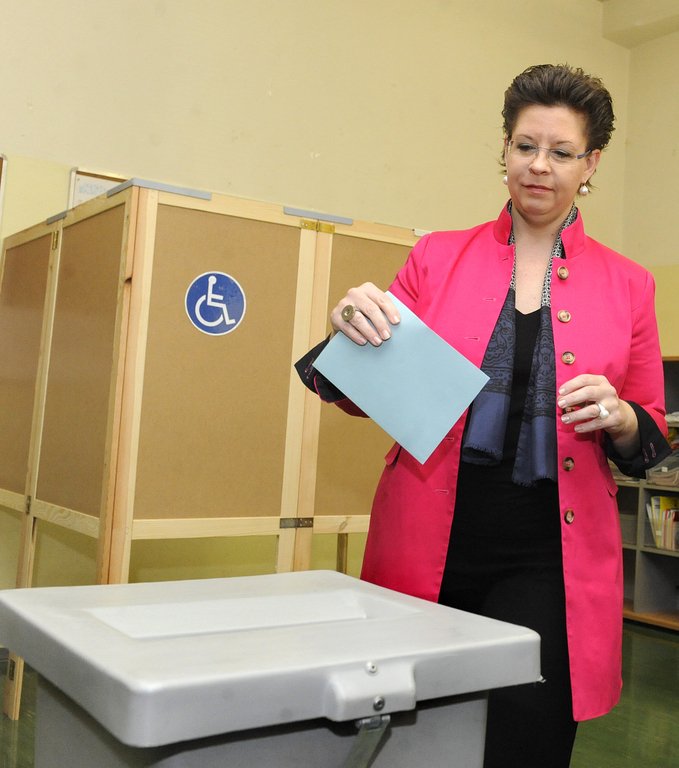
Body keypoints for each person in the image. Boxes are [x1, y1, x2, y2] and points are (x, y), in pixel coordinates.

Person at [296, 64, 671, 767]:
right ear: (504, 148)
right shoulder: (436, 257)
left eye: (561, 152)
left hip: (550, 559)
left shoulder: (630, 284)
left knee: (527, 737)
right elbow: (355, 387)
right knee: (409, 740)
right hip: (428, 539)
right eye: (525, 145)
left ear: (591, 164)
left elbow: (648, 436)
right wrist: (347, 327)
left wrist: (621, 416)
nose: (539, 165)